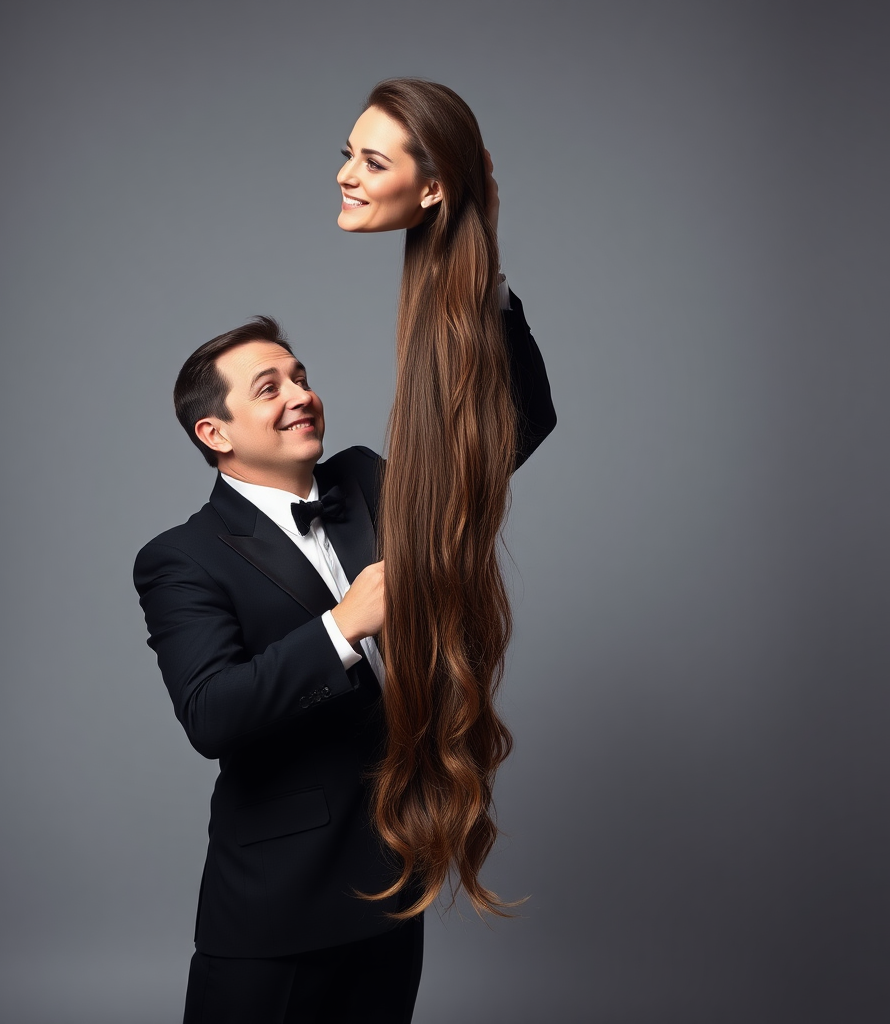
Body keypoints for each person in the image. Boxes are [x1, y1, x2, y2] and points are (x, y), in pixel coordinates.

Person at [132, 274, 554, 1018]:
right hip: (274, 914)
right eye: (270, 387)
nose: (300, 394)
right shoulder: (181, 557)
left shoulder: (367, 480)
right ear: (215, 432)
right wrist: (340, 627)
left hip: (391, 889)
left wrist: (482, 279)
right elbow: (210, 712)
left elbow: (507, 430)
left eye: (301, 376)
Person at [336, 79, 531, 917]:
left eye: (371, 160)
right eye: (346, 153)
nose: (346, 173)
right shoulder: (441, 297)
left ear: (433, 186)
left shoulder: (465, 314)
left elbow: (525, 420)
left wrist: (487, 257)